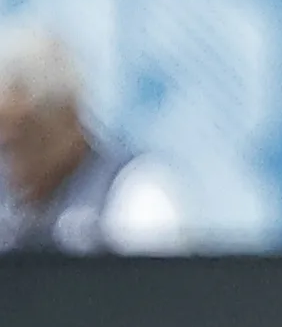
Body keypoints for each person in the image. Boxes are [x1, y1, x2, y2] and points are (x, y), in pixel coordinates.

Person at [0, 21, 184, 252]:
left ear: (67, 119)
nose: (6, 145)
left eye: (22, 134)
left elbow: (154, 273)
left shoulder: (135, 191)